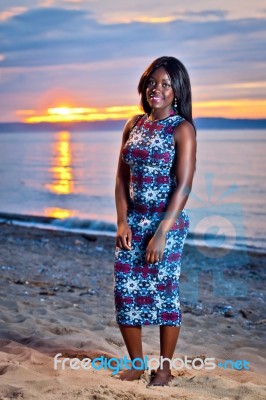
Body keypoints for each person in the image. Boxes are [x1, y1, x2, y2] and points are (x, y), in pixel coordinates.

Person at [113, 56, 197, 386]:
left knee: (164, 294)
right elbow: (121, 179)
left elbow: (185, 185)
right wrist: (122, 221)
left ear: (177, 90)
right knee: (125, 291)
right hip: (134, 221)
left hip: (168, 225)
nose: (156, 89)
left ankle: (164, 368)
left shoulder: (182, 129)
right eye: (152, 82)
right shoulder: (133, 124)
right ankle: (136, 364)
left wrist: (162, 232)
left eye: (165, 84)